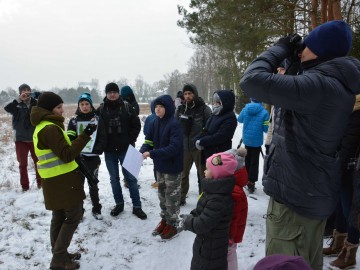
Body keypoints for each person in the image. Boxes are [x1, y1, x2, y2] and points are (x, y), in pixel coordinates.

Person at [239, 20, 360, 270]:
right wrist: (296, 63)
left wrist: (279, 49)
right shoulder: (332, 83)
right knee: (304, 261)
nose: (301, 49)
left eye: (307, 45)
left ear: (318, 50)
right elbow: (292, 97)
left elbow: (251, 81)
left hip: (294, 200)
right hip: (308, 194)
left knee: (285, 263)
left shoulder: (318, 87)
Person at [30, 91, 97, 270]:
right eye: (59, 107)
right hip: (63, 180)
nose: (62, 111)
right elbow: (67, 154)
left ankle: (59, 253)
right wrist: (86, 134)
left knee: (58, 216)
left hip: (53, 181)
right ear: (48, 109)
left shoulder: (44, 126)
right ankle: (59, 259)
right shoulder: (50, 128)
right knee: (74, 215)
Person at [178, 152, 237, 270]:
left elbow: (203, 224)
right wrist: (192, 215)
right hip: (205, 246)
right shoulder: (213, 191)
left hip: (211, 253)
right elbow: (202, 209)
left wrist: (187, 222)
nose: (204, 171)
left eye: (208, 169)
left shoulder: (219, 199)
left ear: (217, 174)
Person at [97, 82, 147, 220]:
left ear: (118, 93)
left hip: (126, 150)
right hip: (109, 152)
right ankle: (119, 204)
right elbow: (93, 125)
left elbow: (136, 125)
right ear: (106, 94)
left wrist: (129, 140)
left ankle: (137, 206)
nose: (112, 94)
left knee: (131, 179)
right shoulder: (101, 110)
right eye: (109, 92)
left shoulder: (127, 107)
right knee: (114, 180)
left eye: (114, 92)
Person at [323, 95, 360, 269]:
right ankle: (338, 243)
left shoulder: (357, 111)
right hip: (343, 166)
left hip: (352, 168)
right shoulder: (348, 107)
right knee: (340, 205)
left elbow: (349, 142)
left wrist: (337, 166)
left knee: (351, 210)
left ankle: (349, 254)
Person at [140, 94, 183, 240]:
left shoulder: (174, 124)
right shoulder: (155, 123)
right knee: (162, 195)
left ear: (168, 108)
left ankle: (173, 224)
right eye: (156, 107)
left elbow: (174, 148)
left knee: (172, 197)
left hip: (172, 168)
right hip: (160, 167)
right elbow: (149, 141)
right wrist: (142, 151)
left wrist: (152, 153)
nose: (157, 110)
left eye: (161, 107)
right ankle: (165, 220)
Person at [67, 92, 107, 220]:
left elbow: (103, 137)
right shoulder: (73, 121)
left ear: (91, 105)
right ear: (79, 106)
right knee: (78, 185)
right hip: (78, 158)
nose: (84, 106)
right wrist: (74, 148)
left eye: (87, 104)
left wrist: (97, 149)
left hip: (93, 158)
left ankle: (96, 208)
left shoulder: (97, 119)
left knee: (93, 184)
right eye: (82, 104)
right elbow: (70, 138)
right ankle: (80, 210)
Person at [175, 83, 212, 205]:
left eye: (190, 93)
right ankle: (181, 197)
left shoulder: (204, 109)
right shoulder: (180, 109)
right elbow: (174, 127)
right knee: (183, 174)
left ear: (195, 94)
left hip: (199, 148)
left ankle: (204, 199)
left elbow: (210, 127)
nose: (187, 96)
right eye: (185, 94)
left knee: (203, 175)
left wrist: (203, 141)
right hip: (184, 148)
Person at [4, 83, 41, 191]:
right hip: (20, 139)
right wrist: (19, 100)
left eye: (28, 90)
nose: (26, 92)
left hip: (34, 138)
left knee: (38, 162)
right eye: (23, 91)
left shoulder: (36, 103)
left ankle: (40, 184)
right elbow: (7, 108)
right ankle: (25, 186)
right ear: (20, 93)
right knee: (22, 164)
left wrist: (38, 96)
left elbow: (46, 105)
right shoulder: (16, 105)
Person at [195, 90, 237, 163]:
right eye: (214, 102)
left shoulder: (230, 118)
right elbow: (206, 130)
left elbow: (220, 137)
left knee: (216, 173)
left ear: (225, 103)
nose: (215, 104)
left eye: (218, 102)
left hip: (219, 156)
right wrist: (198, 138)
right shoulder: (215, 114)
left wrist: (203, 141)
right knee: (206, 173)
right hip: (209, 153)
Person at [238, 98, 269, 193]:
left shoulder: (245, 109)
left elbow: (239, 119)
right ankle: (251, 183)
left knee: (247, 160)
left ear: (251, 100)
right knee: (254, 162)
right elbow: (265, 129)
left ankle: (245, 179)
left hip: (247, 139)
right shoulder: (264, 112)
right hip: (256, 141)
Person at [225, 147, 248, 270]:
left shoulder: (233, 191)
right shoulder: (233, 185)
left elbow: (233, 218)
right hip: (230, 235)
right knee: (230, 254)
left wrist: (229, 236)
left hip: (229, 236)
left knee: (229, 255)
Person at [143, 100, 158, 188]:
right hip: (161, 144)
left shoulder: (149, 118)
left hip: (151, 144)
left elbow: (145, 131)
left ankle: (157, 181)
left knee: (156, 163)